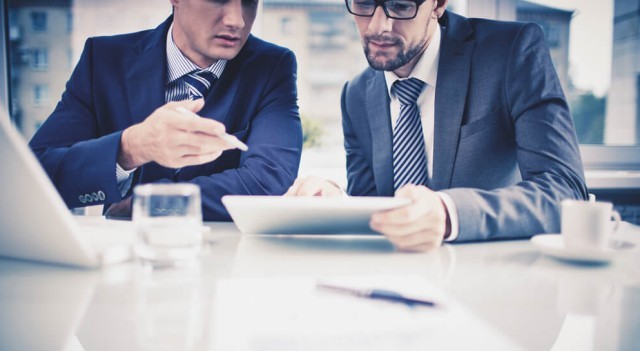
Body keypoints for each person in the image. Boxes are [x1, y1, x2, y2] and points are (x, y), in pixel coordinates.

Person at [286, 0, 588, 252]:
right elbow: (376, 211)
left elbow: (566, 192)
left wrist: (447, 213)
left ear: (438, 4)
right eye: (364, 3)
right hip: (401, 293)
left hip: (498, 286)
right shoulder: (355, 95)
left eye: (401, 6)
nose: (378, 27)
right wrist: (336, 203)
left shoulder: (511, 51)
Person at [29, 0, 302, 220]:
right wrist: (130, 149)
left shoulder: (272, 66)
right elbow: (36, 177)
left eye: (250, 1)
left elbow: (268, 180)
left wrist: (149, 203)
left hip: (225, 265)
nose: (237, 20)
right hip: (126, 260)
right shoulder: (103, 60)